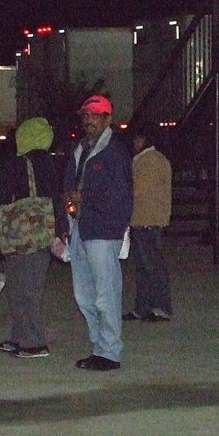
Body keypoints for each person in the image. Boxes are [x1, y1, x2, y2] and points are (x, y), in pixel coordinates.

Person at [59, 95, 133, 371]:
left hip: (102, 230)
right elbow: (69, 184)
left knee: (106, 293)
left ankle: (110, 351)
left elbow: (121, 196)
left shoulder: (115, 152)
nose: (88, 120)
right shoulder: (81, 149)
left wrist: (84, 198)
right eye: (86, 115)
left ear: (107, 119)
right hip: (80, 227)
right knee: (84, 294)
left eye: (94, 115)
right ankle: (99, 347)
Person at [0, 117, 60, 358]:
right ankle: (21, 337)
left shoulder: (17, 163)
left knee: (21, 288)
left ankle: (34, 342)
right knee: (27, 286)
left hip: (19, 235)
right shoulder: (49, 164)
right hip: (41, 234)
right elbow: (55, 199)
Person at [123, 129, 173, 322]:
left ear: (143, 139)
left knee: (152, 266)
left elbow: (138, 189)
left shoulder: (150, 161)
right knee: (144, 267)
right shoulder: (148, 159)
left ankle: (161, 307)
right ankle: (144, 307)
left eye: (136, 138)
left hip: (148, 220)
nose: (134, 142)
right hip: (144, 219)